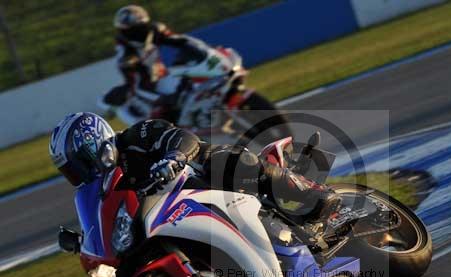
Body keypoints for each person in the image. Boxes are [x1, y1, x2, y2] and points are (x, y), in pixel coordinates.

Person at [48, 112, 340, 221]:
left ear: (94, 144)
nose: (80, 176)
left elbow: (183, 137)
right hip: (178, 215)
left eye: (79, 166)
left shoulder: (137, 136)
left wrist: (173, 158)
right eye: (71, 173)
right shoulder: (109, 188)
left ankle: (311, 191)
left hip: (200, 175)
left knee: (225, 161)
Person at [112, 4, 207, 110]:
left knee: (182, 69)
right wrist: (130, 60)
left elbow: (177, 39)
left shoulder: (155, 29)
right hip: (138, 71)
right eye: (125, 26)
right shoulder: (122, 41)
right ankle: (162, 103)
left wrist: (196, 46)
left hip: (158, 69)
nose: (128, 30)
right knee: (140, 86)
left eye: (130, 24)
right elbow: (122, 57)